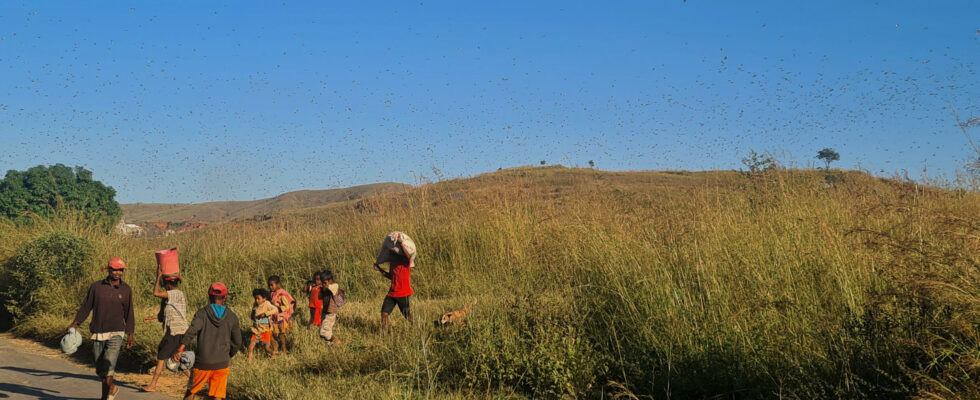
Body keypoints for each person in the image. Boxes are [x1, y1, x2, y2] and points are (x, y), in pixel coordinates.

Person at [67, 257, 135, 400]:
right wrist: (75, 323)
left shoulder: (126, 289)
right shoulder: (96, 287)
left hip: (117, 332)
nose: (117, 273)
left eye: (120, 270)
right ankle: (112, 387)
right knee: (100, 369)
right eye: (114, 269)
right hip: (98, 331)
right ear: (108, 270)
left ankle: (105, 397)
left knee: (108, 366)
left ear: (123, 271)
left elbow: (129, 313)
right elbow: (86, 307)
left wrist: (130, 334)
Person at [174, 282, 242, 400]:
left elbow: (191, 331)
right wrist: (227, 354)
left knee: (191, 391)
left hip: (202, 362)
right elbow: (237, 342)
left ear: (208, 296)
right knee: (217, 395)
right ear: (225, 297)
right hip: (222, 362)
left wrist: (180, 349)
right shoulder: (232, 317)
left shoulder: (202, 313)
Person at [140, 270, 189, 392]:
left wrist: (158, 277)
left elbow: (156, 293)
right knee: (178, 358)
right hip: (176, 332)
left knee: (162, 356)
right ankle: (195, 380)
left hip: (175, 332)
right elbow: (162, 317)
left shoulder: (176, 294)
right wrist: (152, 317)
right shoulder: (169, 298)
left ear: (167, 284)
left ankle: (153, 385)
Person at [374, 244, 414, 331]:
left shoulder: (405, 262)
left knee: (407, 315)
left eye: (392, 253)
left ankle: (416, 327)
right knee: (384, 313)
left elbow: (409, 257)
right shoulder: (393, 264)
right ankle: (384, 334)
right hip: (392, 293)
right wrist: (380, 269)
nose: (390, 255)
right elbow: (391, 276)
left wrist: (401, 243)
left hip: (403, 294)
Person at [247, 288, 277, 362]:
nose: (256, 300)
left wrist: (265, 314)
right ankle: (249, 361)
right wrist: (253, 316)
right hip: (257, 330)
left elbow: (275, 309)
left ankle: (273, 354)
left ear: (264, 298)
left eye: (258, 298)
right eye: (255, 298)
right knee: (251, 346)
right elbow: (253, 312)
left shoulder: (266, 304)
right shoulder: (255, 304)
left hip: (265, 329)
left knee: (266, 348)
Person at [267, 275, 295, 354]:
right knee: (274, 332)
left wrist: (276, 305)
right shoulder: (272, 294)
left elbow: (286, 307)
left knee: (281, 334)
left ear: (278, 284)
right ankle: (276, 348)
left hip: (280, 317)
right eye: (269, 285)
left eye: (272, 285)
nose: (270, 287)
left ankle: (284, 348)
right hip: (274, 316)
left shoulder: (281, 294)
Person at [317, 270, 341, 345]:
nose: (323, 284)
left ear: (330, 280)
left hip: (331, 311)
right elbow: (320, 297)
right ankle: (332, 344)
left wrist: (323, 286)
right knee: (327, 329)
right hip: (325, 310)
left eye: (324, 282)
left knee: (324, 331)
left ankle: (335, 340)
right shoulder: (325, 287)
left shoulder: (334, 285)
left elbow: (329, 287)